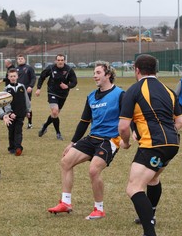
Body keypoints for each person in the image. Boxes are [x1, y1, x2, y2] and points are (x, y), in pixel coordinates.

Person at [47, 61, 124, 220]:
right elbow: (84, 122)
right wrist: (72, 143)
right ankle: (66, 203)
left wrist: (129, 136)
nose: (94, 76)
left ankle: (99, 209)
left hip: (109, 140)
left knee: (93, 170)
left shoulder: (120, 94)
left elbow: (129, 117)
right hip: (92, 138)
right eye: (94, 73)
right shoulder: (91, 96)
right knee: (66, 162)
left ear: (108, 75)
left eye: (98, 73)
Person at [118, 54, 182, 236]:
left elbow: (123, 126)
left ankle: (149, 232)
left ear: (136, 70)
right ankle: (150, 215)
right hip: (172, 144)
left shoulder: (134, 90)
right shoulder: (169, 91)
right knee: (152, 179)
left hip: (153, 146)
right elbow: (179, 122)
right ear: (156, 70)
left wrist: (125, 142)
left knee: (134, 187)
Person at [35, 54, 78, 140]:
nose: (60, 62)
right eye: (58, 60)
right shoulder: (51, 68)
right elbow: (42, 77)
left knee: (55, 114)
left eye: (62, 60)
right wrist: (38, 88)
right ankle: (58, 133)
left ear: (64, 61)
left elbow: (74, 82)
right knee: (54, 112)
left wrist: (68, 86)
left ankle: (45, 126)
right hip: (52, 92)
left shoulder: (69, 70)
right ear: (55, 61)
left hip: (63, 95)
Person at [4, 68, 31, 156]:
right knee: (11, 131)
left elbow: (26, 99)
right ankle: (11, 147)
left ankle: (18, 148)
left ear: (17, 76)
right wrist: (10, 113)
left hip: (20, 113)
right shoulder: (6, 89)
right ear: (8, 77)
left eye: (14, 76)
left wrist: (28, 110)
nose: (13, 78)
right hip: (10, 115)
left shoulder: (22, 87)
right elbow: (5, 102)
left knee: (18, 131)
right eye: (11, 76)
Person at [16, 54, 36, 129]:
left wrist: (31, 86)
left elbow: (33, 78)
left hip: (26, 91)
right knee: (18, 106)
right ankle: (19, 122)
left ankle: (30, 123)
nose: (20, 60)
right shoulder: (16, 69)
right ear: (17, 60)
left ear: (25, 60)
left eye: (21, 58)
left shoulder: (29, 68)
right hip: (17, 91)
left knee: (27, 106)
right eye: (19, 59)